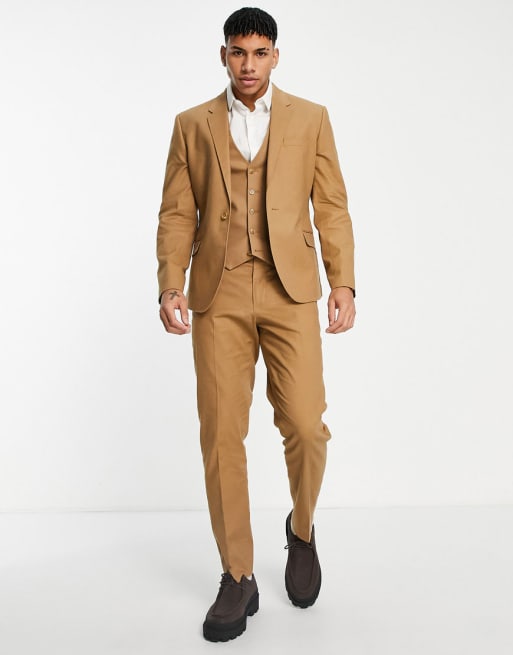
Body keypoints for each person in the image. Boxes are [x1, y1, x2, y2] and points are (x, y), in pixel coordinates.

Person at [157, 7, 356, 642]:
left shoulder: (310, 118)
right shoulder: (192, 124)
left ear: (275, 56)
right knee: (221, 434)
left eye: (259, 52)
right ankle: (237, 576)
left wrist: (343, 281)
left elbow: (331, 205)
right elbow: (176, 212)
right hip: (217, 291)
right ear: (224, 55)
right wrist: (170, 282)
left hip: (289, 289)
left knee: (306, 425)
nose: (249, 64)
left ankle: (301, 528)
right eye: (238, 52)